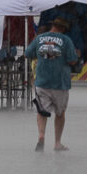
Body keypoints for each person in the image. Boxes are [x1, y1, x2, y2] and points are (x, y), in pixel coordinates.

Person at [25, 18, 79, 151]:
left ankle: (41, 136)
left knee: (42, 111)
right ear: (64, 28)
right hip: (60, 83)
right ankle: (57, 143)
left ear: (52, 26)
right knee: (60, 113)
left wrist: (41, 55)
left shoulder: (39, 38)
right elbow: (72, 61)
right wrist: (77, 54)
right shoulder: (66, 40)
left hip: (42, 82)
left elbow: (28, 53)